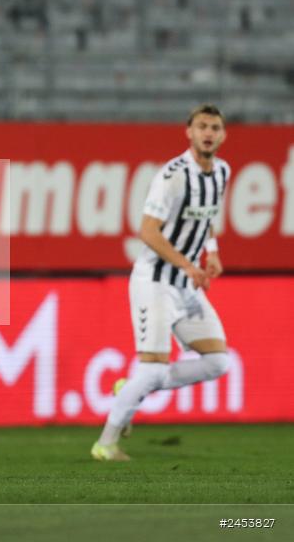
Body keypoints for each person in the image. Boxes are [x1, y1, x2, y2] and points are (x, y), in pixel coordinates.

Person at [91, 104, 232, 461]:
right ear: (189, 132)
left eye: (215, 127)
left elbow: (207, 217)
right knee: (152, 368)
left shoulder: (222, 172)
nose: (208, 133)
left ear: (223, 134)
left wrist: (212, 252)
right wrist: (189, 265)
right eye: (202, 126)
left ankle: (132, 388)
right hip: (154, 281)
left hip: (185, 283)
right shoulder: (173, 175)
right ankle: (105, 444)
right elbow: (148, 231)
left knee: (218, 362)